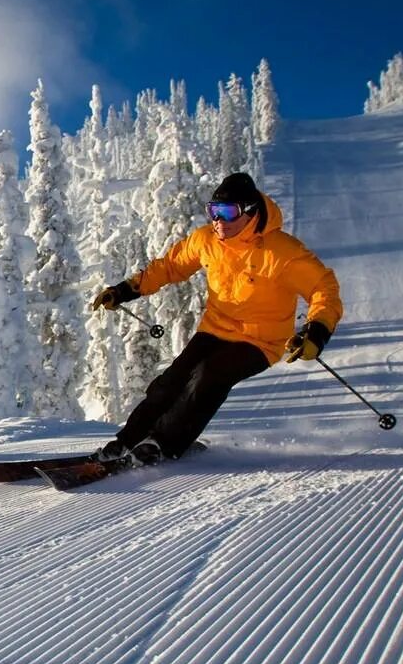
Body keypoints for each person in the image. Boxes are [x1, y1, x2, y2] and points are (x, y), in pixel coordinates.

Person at [89, 171, 342, 465]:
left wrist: (317, 331)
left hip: (261, 341)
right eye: (213, 211)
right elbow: (170, 266)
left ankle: (163, 445)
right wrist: (125, 290)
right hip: (215, 329)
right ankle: (126, 441)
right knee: (171, 381)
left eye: (228, 212)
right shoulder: (207, 240)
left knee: (209, 376)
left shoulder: (282, 252)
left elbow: (323, 288)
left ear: (250, 212)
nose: (219, 220)